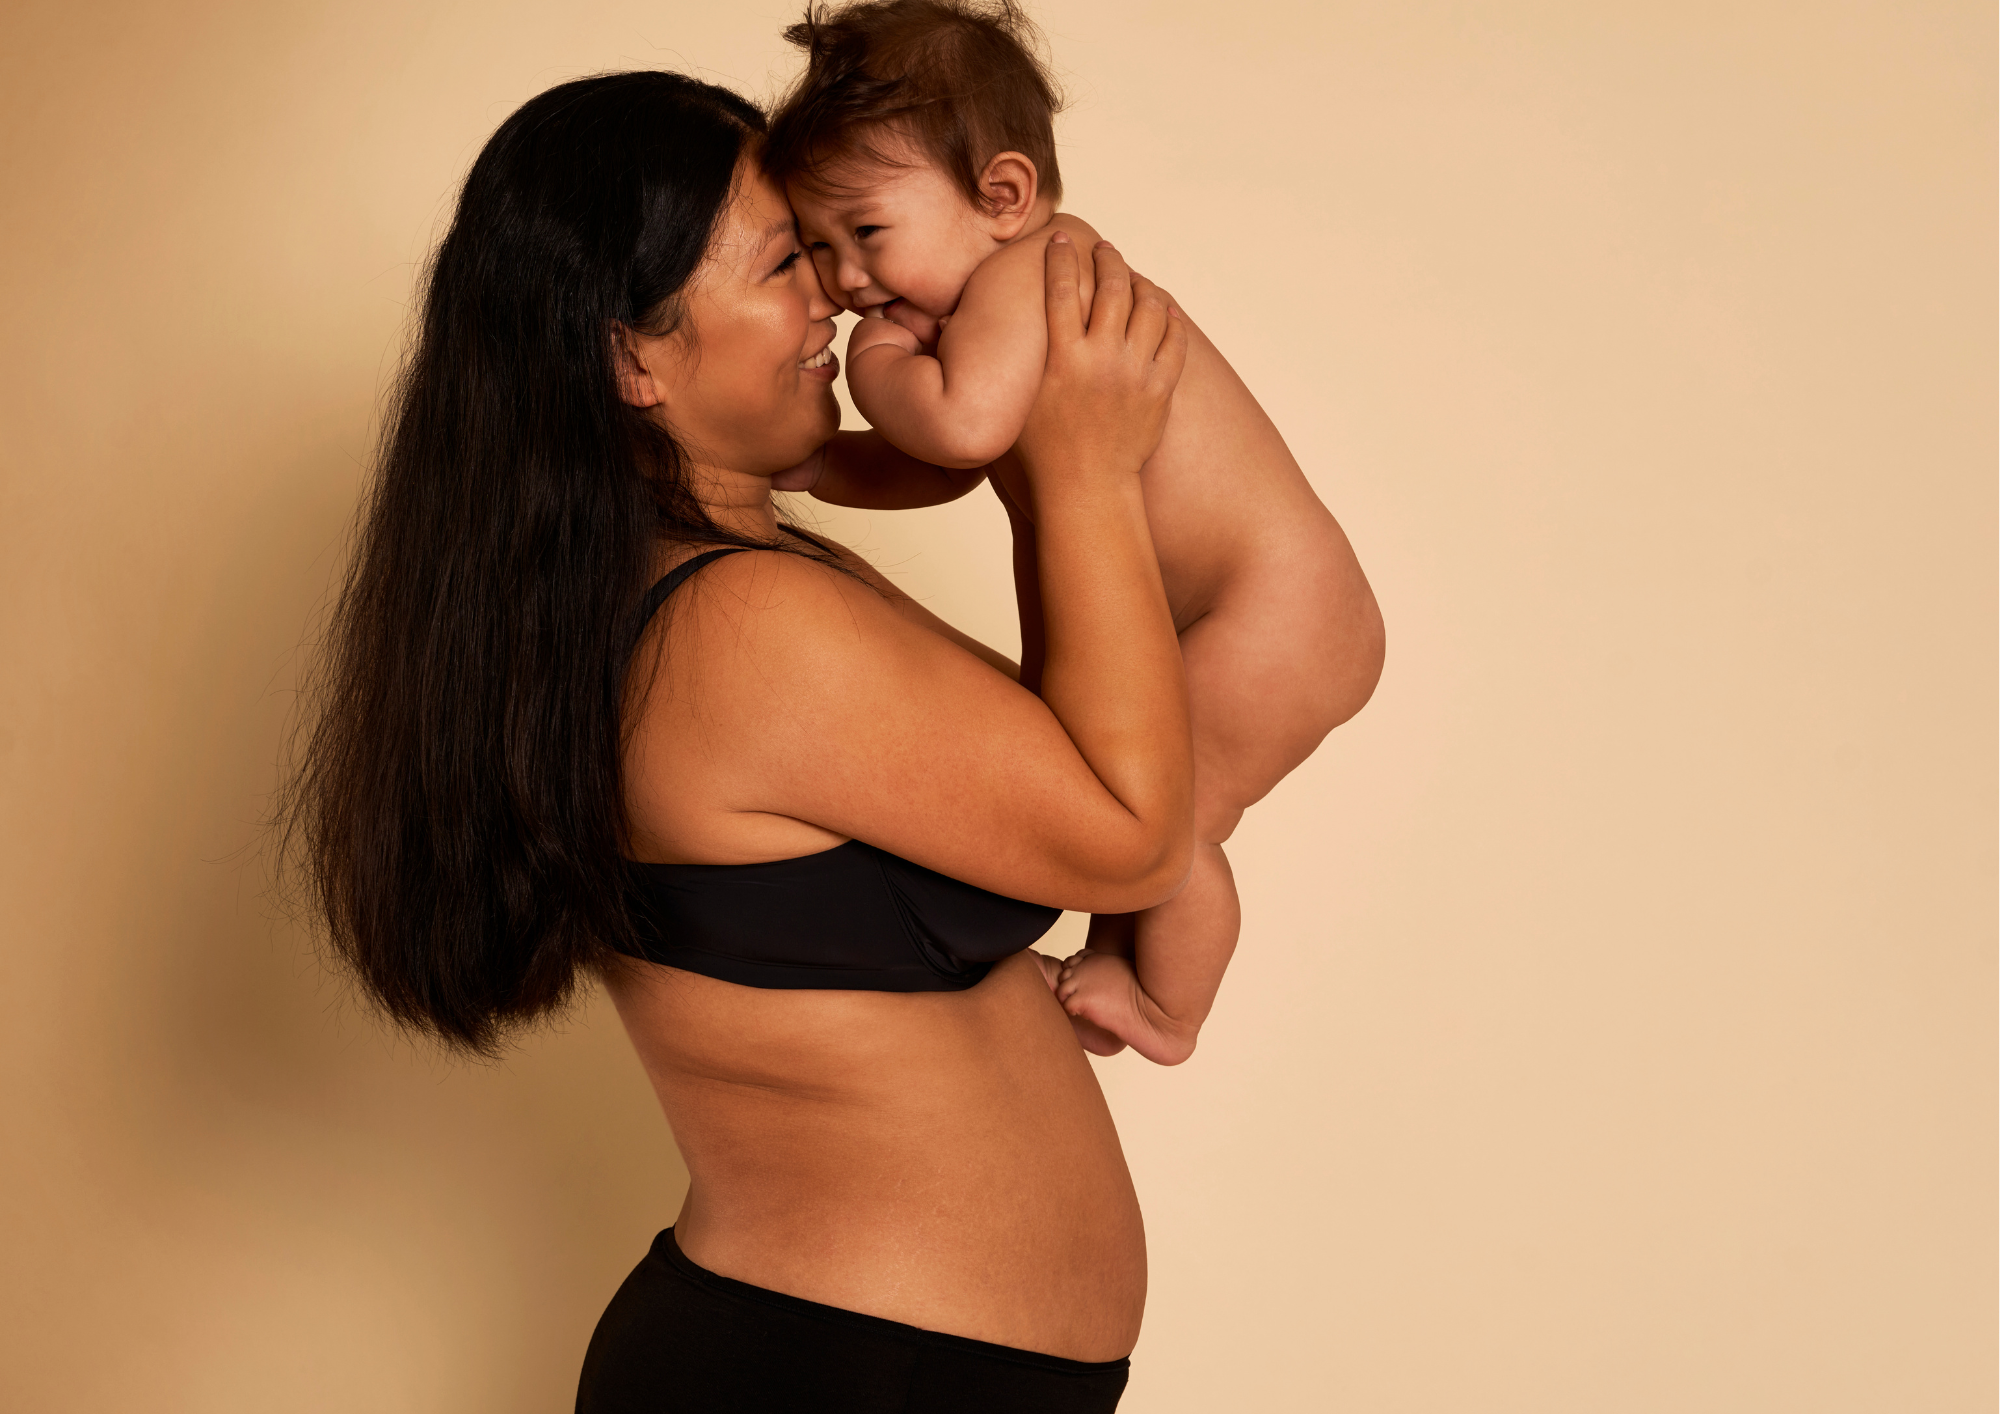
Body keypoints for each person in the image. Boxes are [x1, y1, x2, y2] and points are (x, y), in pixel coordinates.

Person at [283, 70, 1199, 1411]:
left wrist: (1014, 447)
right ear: (632, 356)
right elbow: (1128, 828)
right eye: (788, 261)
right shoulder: (739, 630)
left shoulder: (735, 584)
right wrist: (1082, 462)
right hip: (834, 1371)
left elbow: (1073, 764)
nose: (839, 291)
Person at [765, 0, 1387, 1065]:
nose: (844, 280)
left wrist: (873, 363)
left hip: (1272, 609)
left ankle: (1167, 1012)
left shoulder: (1032, 272)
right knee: (1123, 787)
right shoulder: (994, 300)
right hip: (1246, 606)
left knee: (1165, 820)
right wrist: (822, 465)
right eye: (817, 248)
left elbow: (958, 428)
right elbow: (941, 471)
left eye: (864, 233)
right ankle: (1115, 965)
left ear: (1000, 195)